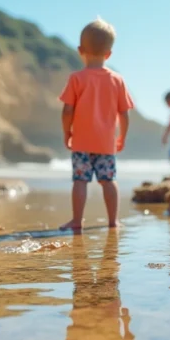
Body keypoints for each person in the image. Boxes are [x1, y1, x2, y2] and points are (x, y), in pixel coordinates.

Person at [59, 17, 135, 230]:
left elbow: (67, 110)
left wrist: (67, 132)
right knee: (108, 181)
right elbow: (124, 113)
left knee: (80, 181)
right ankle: (113, 221)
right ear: (109, 54)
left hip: (81, 142)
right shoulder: (117, 80)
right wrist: (122, 137)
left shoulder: (77, 78)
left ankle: (77, 221)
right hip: (106, 143)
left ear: (80, 49)